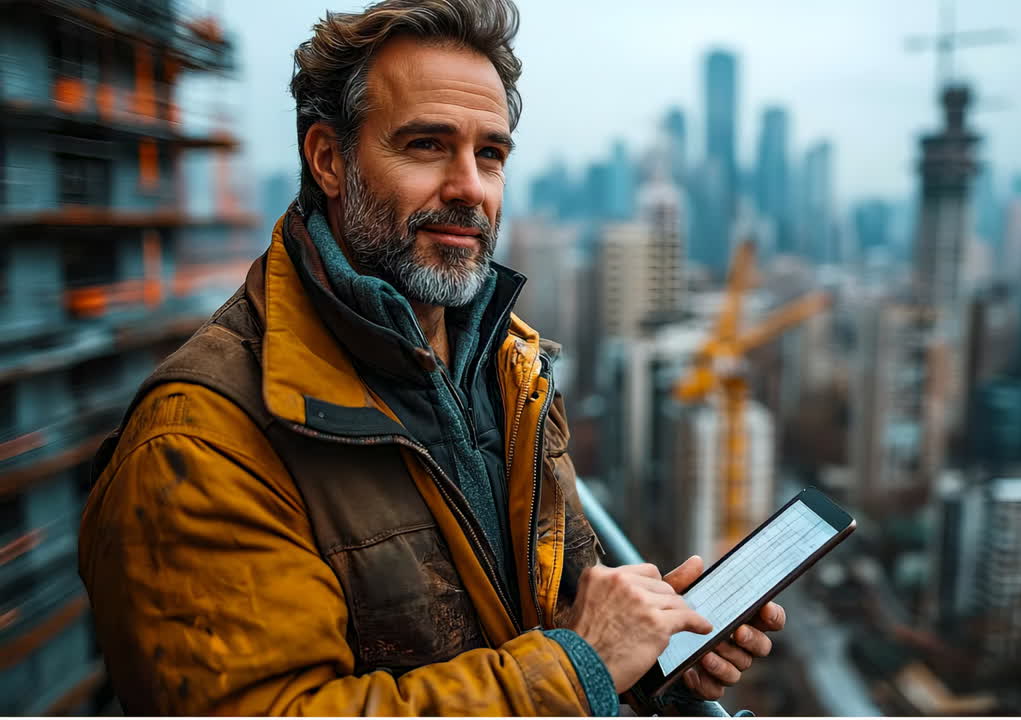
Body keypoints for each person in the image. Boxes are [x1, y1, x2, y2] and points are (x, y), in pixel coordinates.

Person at [78, 0, 785, 715]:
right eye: (425, 145)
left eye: (490, 154)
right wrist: (581, 668)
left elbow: (560, 610)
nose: (469, 187)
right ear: (329, 159)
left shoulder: (510, 364)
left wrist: (653, 652)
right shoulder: (198, 444)